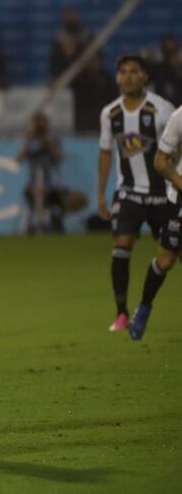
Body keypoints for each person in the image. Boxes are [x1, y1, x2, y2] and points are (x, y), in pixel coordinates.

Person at [97, 54, 174, 332]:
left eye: (134, 71)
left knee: (170, 255)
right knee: (122, 245)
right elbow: (106, 153)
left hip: (162, 195)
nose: (128, 77)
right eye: (123, 72)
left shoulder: (162, 110)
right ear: (118, 77)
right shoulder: (110, 114)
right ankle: (121, 313)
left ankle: (144, 306)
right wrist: (102, 195)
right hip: (128, 192)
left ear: (144, 76)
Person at [129, 102, 182, 339]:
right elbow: (161, 161)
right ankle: (144, 306)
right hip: (179, 200)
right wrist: (180, 183)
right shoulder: (180, 116)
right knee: (166, 259)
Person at [18, 112, 67, 234]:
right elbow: (19, 158)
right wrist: (28, 141)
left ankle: (51, 224)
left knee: (55, 199)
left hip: (51, 182)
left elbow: (60, 157)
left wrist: (48, 142)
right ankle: (33, 225)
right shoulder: (30, 140)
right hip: (33, 182)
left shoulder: (52, 139)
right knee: (33, 196)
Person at [49, 7, 93, 80]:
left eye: (72, 15)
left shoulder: (86, 34)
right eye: (67, 15)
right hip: (65, 77)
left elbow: (95, 57)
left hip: (85, 75)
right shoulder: (58, 37)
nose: (69, 17)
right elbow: (54, 61)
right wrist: (53, 76)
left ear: (76, 16)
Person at [150, 35, 182, 106]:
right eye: (168, 51)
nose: (172, 55)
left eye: (174, 50)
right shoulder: (158, 69)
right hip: (163, 109)